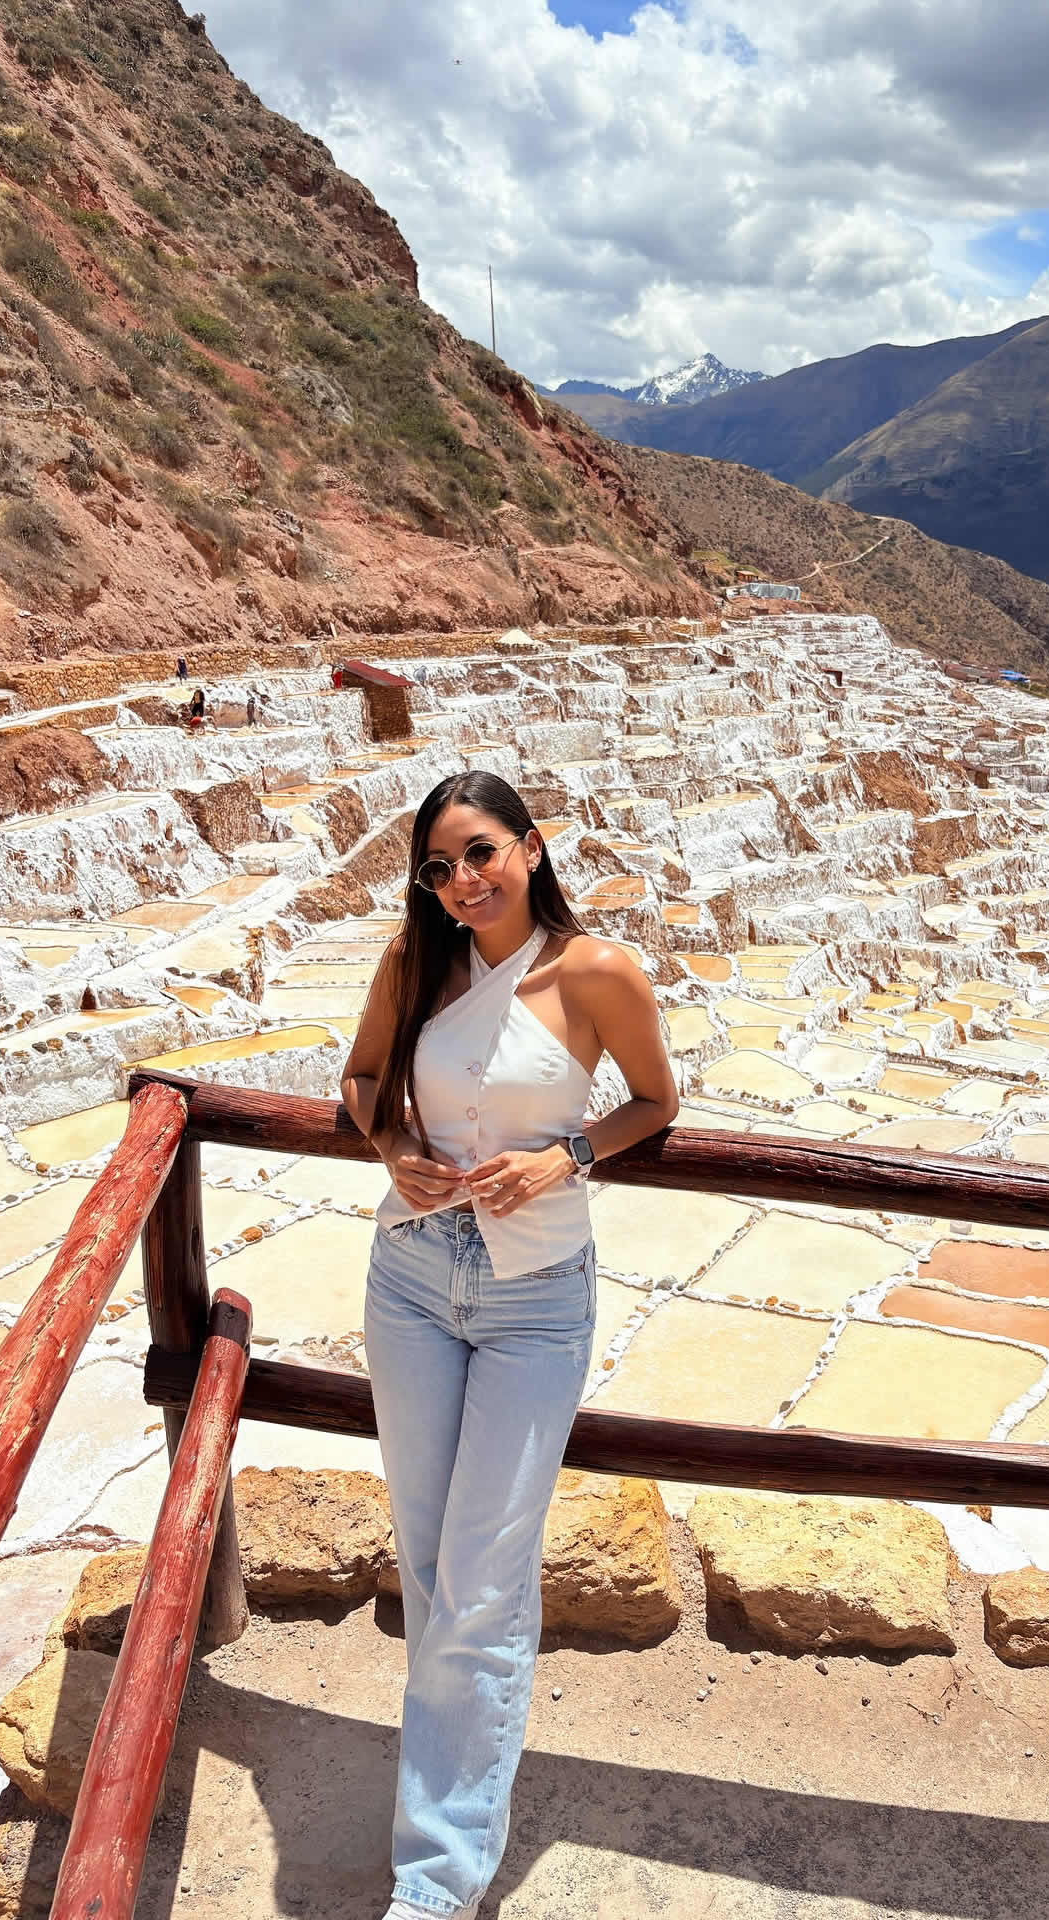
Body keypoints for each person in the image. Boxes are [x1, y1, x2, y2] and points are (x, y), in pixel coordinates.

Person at [341, 771, 677, 1920]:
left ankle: (433, 1883)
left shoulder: (595, 973)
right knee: (432, 1563)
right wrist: (394, 1151)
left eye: (479, 853)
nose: (461, 883)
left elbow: (654, 1101)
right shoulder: (413, 962)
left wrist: (567, 1156)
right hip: (415, 1277)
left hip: (537, 1293)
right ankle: (447, 1814)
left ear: (532, 847)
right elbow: (360, 1081)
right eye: (439, 868)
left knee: (482, 1579)